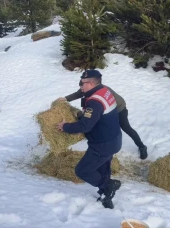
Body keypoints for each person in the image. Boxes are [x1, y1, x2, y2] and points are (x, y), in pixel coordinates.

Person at [57, 70, 122, 209]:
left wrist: (65, 126)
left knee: (83, 171)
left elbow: (85, 126)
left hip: (102, 144)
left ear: (91, 83)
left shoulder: (95, 102)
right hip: (113, 139)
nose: (80, 86)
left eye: (83, 83)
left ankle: (108, 185)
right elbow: (96, 116)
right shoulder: (103, 90)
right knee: (103, 168)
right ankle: (106, 197)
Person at [58, 73, 148, 160]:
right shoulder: (88, 88)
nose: (82, 90)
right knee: (92, 120)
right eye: (81, 87)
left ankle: (142, 146)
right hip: (105, 110)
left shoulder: (100, 92)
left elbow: (97, 110)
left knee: (126, 128)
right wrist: (66, 98)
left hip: (119, 109)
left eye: (83, 87)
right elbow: (79, 93)